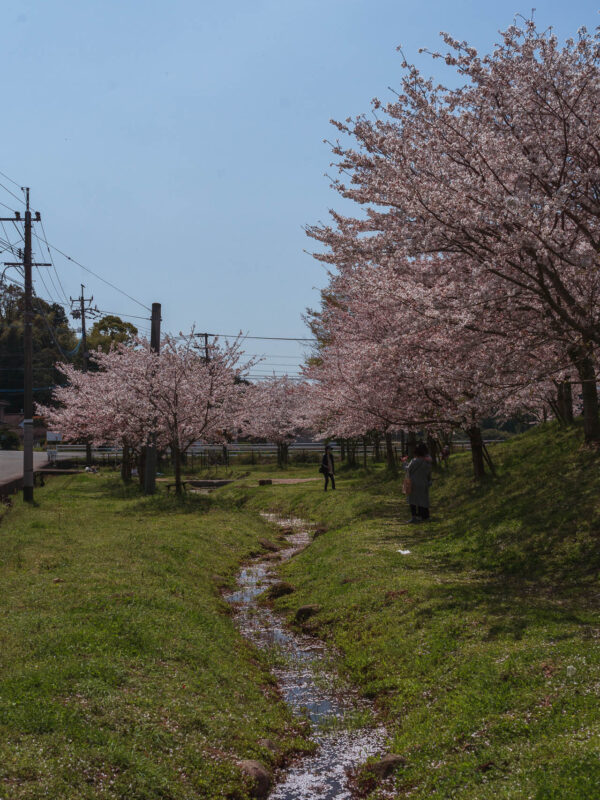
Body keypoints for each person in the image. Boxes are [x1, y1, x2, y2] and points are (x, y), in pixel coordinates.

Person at [405, 442, 432, 522]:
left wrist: (404, 463)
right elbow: (429, 472)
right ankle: (424, 516)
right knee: (423, 500)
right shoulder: (428, 461)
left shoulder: (414, 461)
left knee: (412, 500)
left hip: (413, 483)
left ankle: (414, 517)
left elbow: (408, 469)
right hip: (424, 482)